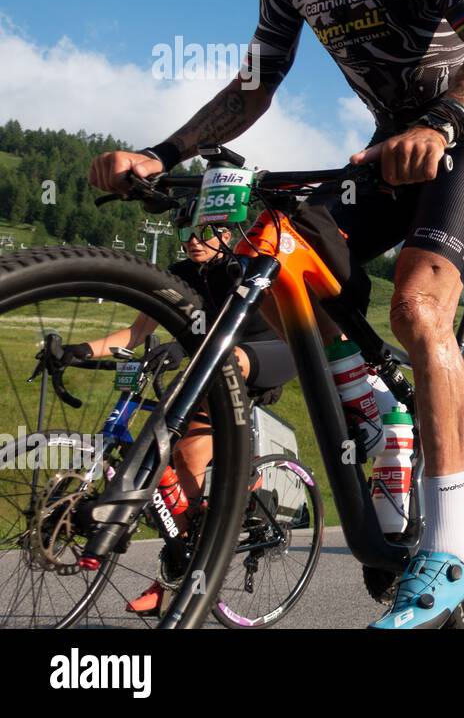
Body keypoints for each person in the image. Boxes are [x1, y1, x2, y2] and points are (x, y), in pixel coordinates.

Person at [88, 0, 464, 630]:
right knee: (276, 256)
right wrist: (162, 154)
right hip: (383, 153)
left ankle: (445, 540)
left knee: (419, 309)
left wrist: (438, 120)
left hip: (463, 132)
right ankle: (383, 415)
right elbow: (254, 86)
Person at [62, 204, 297, 614]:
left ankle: (245, 485)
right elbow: (136, 333)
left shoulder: (244, 267)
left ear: (229, 234)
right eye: (186, 230)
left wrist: (185, 348)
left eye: (204, 231)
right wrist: (76, 351)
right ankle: (173, 577)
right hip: (211, 367)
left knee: (225, 364)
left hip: (266, 353)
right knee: (183, 470)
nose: (192, 239)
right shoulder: (181, 275)